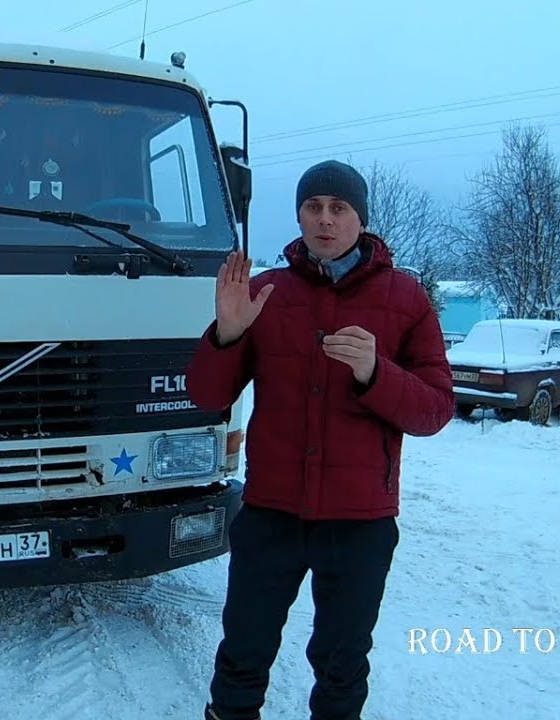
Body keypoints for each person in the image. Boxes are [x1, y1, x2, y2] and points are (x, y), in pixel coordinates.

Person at [187, 159, 455, 720]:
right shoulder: (264, 293)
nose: (324, 220)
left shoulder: (406, 299)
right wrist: (228, 334)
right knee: (243, 651)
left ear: (361, 218)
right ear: (299, 215)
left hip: (359, 524)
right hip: (271, 514)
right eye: (312, 207)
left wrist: (376, 373)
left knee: (341, 665)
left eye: (339, 208)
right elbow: (208, 396)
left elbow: (435, 409)